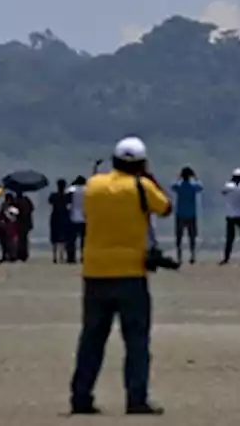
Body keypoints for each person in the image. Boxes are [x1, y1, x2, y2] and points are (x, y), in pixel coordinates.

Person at [69, 136, 171, 416]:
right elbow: (165, 208)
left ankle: (81, 396)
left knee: (91, 339)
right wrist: (149, 178)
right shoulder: (142, 186)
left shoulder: (94, 185)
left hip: (95, 272)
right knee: (136, 341)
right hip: (130, 274)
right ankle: (136, 399)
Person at [171, 167, 203, 265]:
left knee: (179, 237)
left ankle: (179, 257)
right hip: (191, 214)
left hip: (180, 214)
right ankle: (192, 255)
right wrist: (196, 177)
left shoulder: (179, 186)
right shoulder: (193, 186)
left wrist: (178, 177)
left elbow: (173, 186)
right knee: (192, 236)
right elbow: (201, 187)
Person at [220, 169, 240, 265]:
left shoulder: (229, 186)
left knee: (230, 238)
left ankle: (226, 258)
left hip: (231, 215)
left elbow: (223, 192)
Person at [49, 179, 72, 264]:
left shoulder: (53, 195)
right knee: (64, 237)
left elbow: (50, 202)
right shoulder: (67, 196)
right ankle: (61, 255)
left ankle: (55, 256)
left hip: (55, 215)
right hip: (64, 216)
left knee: (54, 237)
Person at [67, 175, 87, 263]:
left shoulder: (71, 189)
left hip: (73, 216)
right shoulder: (87, 189)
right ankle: (84, 256)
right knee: (84, 240)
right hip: (85, 217)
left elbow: (67, 202)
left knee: (71, 239)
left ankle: (71, 257)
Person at [13, 191, 35, 262]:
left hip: (19, 222)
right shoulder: (26, 200)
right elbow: (32, 208)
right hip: (26, 222)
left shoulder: (16, 201)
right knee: (24, 238)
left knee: (19, 238)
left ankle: (20, 254)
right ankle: (23, 254)